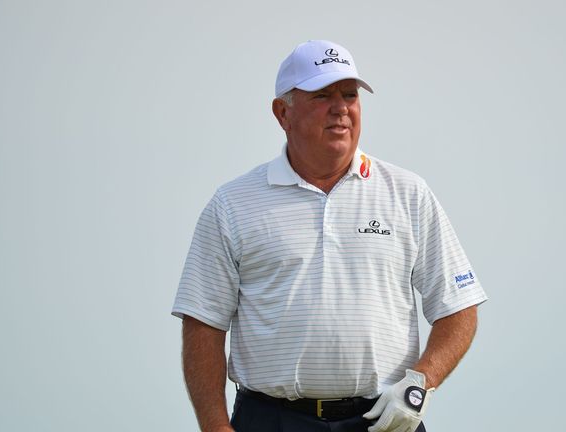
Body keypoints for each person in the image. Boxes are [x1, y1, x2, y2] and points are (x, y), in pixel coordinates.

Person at [172, 40, 488, 432]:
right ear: (282, 113)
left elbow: (458, 306)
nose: (341, 107)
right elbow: (203, 322)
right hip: (272, 419)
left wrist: (420, 383)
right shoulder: (233, 204)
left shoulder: (407, 193)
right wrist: (216, 427)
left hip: (383, 420)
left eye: (350, 95)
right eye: (322, 95)